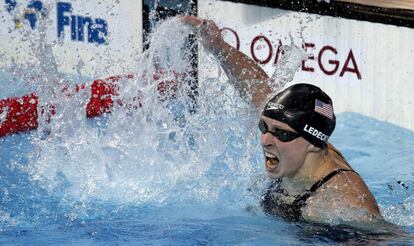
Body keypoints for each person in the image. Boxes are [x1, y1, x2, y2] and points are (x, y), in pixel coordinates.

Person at [180, 16, 388, 228]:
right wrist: (217, 46)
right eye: (264, 127)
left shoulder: (343, 206)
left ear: (313, 143)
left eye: (283, 134)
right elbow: (256, 89)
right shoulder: (296, 145)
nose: (265, 140)